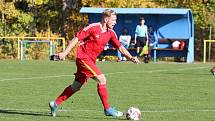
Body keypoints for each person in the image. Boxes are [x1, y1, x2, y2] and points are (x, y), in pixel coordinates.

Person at [49, 9, 140, 118]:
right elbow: (76, 38)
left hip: (90, 61)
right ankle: (107, 109)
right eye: (113, 20)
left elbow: (120, 47)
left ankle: (55, 103)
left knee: (76, 86)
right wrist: (64, 53)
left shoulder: (111, 33)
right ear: (106, 19)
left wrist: (131, 57)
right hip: (83, 58)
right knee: (102, 79)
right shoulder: (93, 27)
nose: (115, 22)